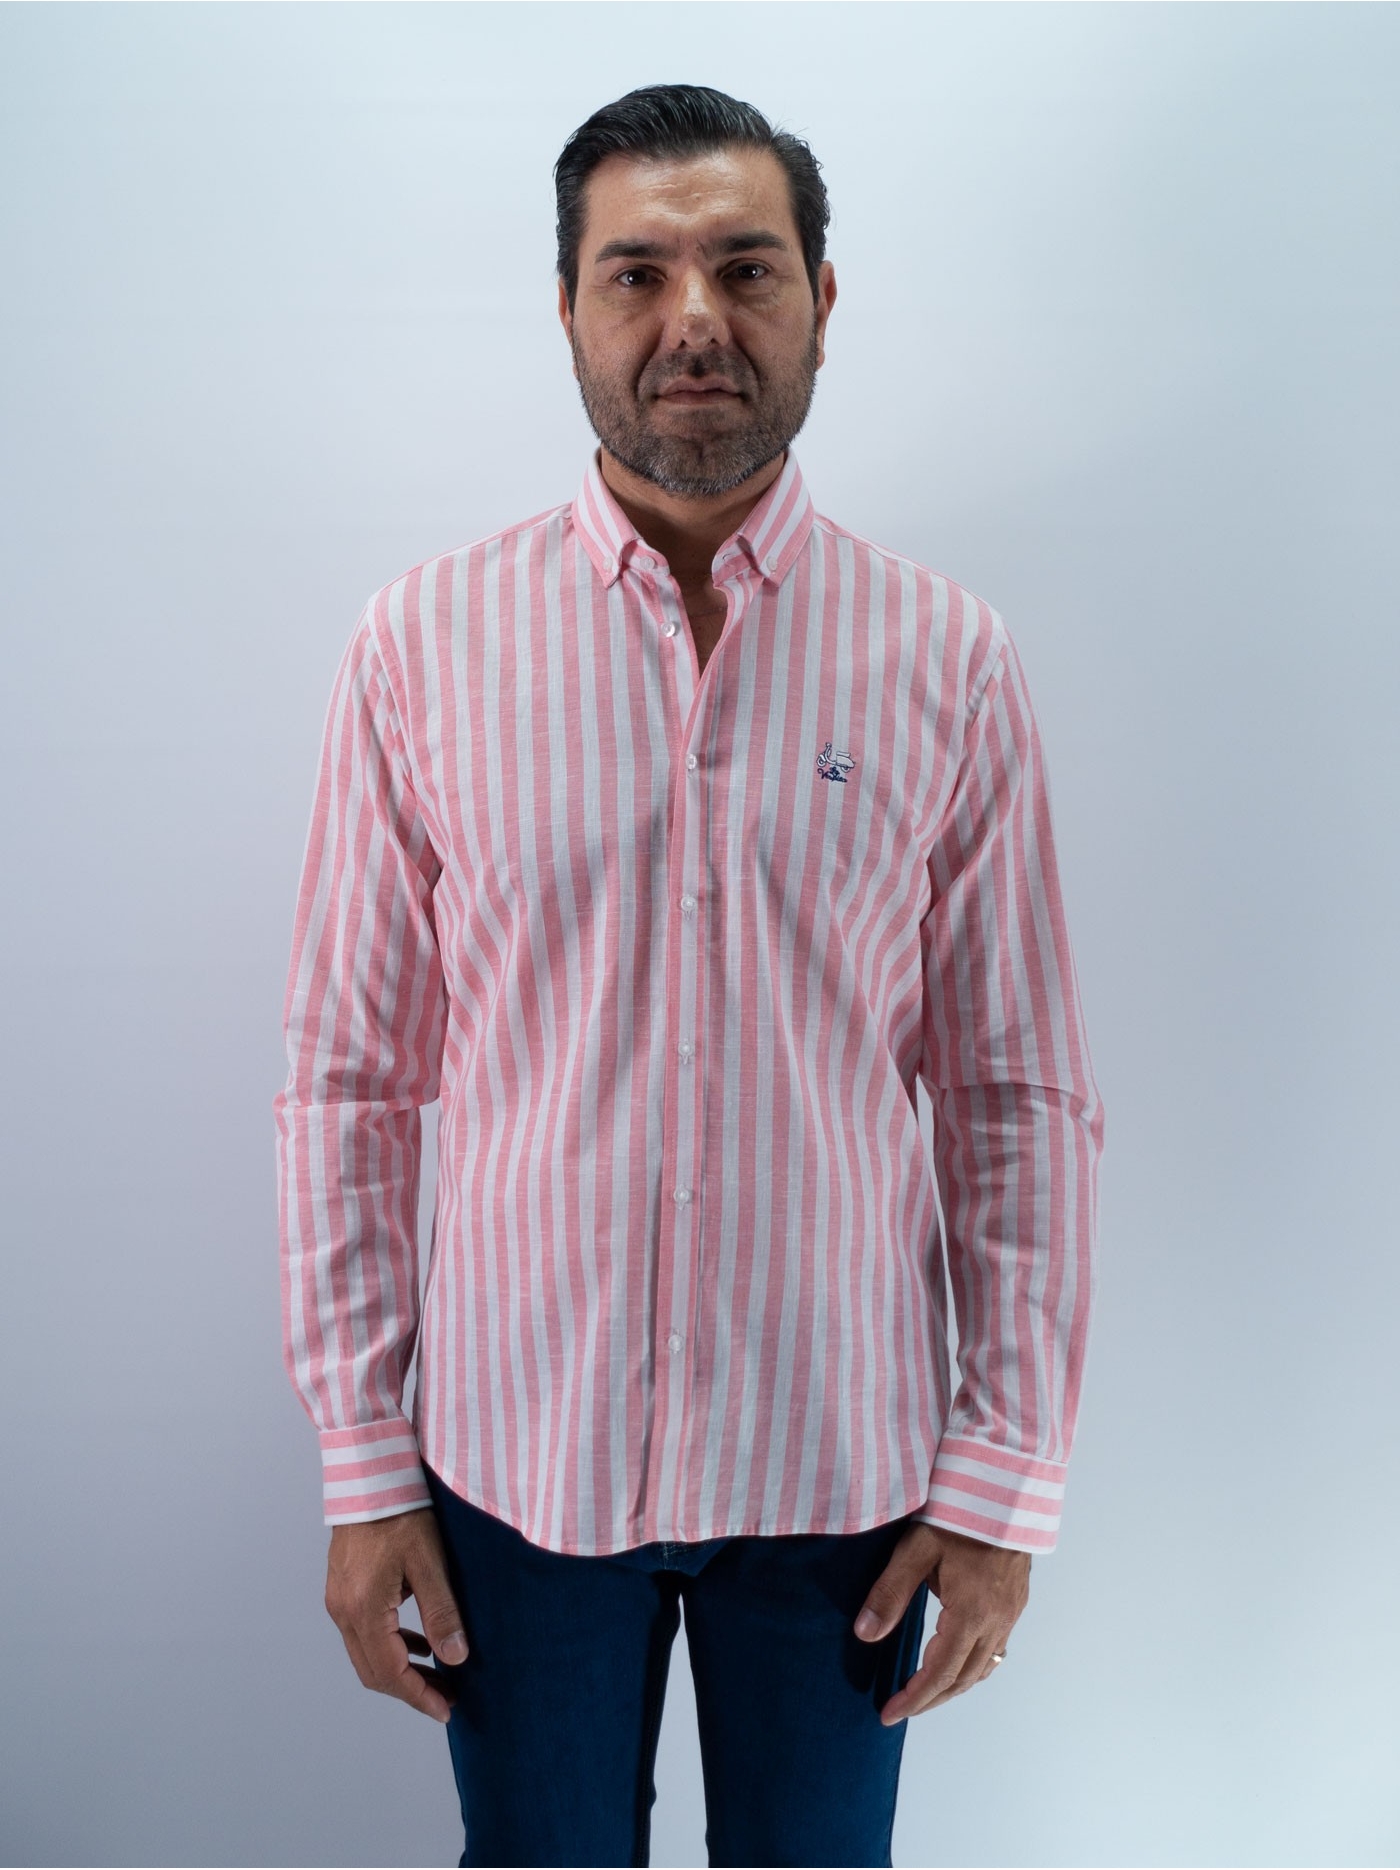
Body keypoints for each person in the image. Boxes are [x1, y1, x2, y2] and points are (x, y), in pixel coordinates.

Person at [274, 82, 1105, 1870]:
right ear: (568, 308)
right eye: (637, 273)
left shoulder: (948, 659)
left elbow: (1013, 1094)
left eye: (746, 266)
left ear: (822, 296)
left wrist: (1004, 1481)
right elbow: (350, 1083)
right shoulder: (421, 646)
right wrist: (362, 1457)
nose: (695, 320)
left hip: (844, 1482)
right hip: (514, 1466)